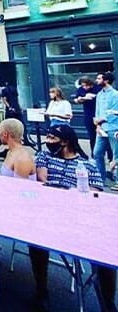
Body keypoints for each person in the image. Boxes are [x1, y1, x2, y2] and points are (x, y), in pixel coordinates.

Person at [30, 124, 110, 311]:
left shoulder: (87, 164)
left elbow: (96, 191)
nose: (48, 142)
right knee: (36, 242)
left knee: (103, 251)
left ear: (65, 142)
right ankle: (42, 290)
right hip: (49, 213)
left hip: (79, 217)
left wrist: (74, 192)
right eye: (47, 137)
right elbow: (43, 180)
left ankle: (107, 303)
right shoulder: (44, 156)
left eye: (52, 138)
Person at [93, 71, 118, 187]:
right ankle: (100, 179)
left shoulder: (115, 94)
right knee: (97, 153)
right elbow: (97, 111)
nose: (96, 81)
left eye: (99, 78)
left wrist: (101, 120)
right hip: (101, 129)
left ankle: (117, 180)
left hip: (114, 128)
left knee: (116, 155)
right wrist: (97, 125)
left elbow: (113, 113)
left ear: (106, 80)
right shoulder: (99, 94)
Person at [74, 77, 100, 152]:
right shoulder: (81, 89)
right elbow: (76, 99)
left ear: (90, 84)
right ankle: (94, 154)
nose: (84, 88)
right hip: (88, 115)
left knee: (104, 137)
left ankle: (110, 157)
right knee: (92, 137)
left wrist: (93, 96)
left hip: (99, 114)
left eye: (86, 85)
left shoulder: (97, 88)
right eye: (83, 86)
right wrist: (82, 98)